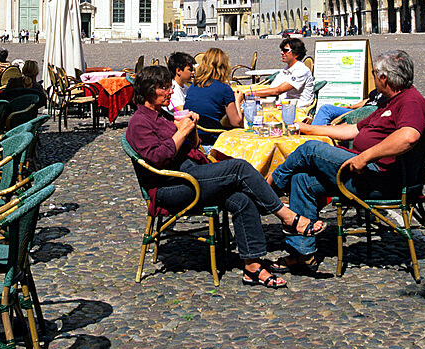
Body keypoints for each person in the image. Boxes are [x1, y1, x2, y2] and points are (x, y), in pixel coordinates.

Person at [125, 65, 323, 289]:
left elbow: (191, 147)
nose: (171, 92)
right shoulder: (139, 122)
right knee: (238, 168)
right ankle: (287, 217)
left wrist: (192, 129)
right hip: (170, 187)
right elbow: (159, 158)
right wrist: (180, 131)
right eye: (165, 88)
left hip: (189, 175)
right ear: (150, 90)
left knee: (241, 197)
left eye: (170, 87)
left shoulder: (163, 116)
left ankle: (252, 265)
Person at [270, 50, 425, 271]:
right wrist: (306, 128)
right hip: (361, 173)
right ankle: (302, 254)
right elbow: (352, 130)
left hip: (379, 178)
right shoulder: (388, 102)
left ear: (384, 78)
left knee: (310, 150)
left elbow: (409, 136)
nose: (374, 78)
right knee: (301, 179)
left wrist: (366, 156)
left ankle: (269, 188)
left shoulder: (411, 101)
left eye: (375, 73)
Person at [184, 48, 244, 142]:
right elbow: (236, 122)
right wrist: (237, 100)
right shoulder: (224, 89)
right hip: (211, 139)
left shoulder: (194, 86)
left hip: (191, 137)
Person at [245, 38, 315, 108]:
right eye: (282, 50)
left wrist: (250, 93)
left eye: (285, 50)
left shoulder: (301, 70)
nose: (282, 53)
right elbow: (272, 88)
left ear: (296, 54)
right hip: (284, 104)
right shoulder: (286, 69)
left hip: (297, 108)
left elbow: (278, 90)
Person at [311, 86, 384, 126]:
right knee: (326, 108)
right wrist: (351, 107)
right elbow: (368, 100)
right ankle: (316, 133)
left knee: (327, 111)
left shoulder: (389, 94)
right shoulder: (377, 89)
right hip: (359, 110)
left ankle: (316, 138)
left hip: (365, 113)